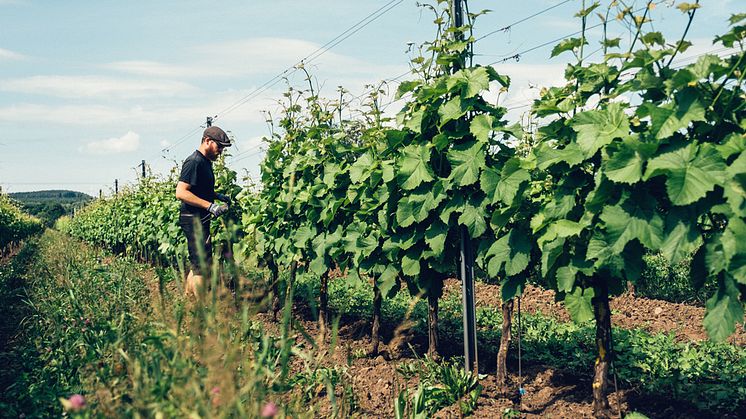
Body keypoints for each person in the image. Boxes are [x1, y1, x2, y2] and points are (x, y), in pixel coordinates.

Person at [175, 126, 232, 297]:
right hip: (193, 218)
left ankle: (187, 296)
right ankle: (201, 308)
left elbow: (199, 189)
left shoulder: (205, 162)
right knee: (202, 265)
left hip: (199, 218)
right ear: (207, 141)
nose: (220, 151)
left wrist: (217, 196)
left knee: (198, 262)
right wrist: (209, 205)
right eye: (219, 147)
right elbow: (181, 192)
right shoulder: (194, 162)